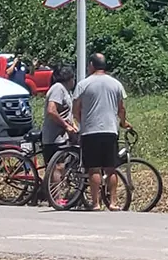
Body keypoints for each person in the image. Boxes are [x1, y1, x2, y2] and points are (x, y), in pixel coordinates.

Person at [72, 53, 130, 210]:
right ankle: (113, 202)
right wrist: (123, 122)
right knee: (111, 168)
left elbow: (75, 109)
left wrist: (82, 121)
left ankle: (96, 203)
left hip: (90, 131)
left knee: (94, 168)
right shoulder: (116, 84)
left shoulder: (84, 84)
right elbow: (121, 108)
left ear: (91, 64)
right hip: (111, 130)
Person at [39, 65, 77, 207]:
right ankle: (55, 198)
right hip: (54, 136)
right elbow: (52, 110)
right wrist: (66, 126)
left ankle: (54, 195)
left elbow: (65, 113)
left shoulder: (65, 91)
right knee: (57, 167)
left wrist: (72, 126)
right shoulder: (58, 89)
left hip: (62, 135)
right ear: (69, 78)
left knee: (62, 166)